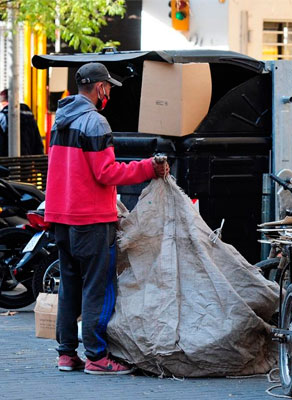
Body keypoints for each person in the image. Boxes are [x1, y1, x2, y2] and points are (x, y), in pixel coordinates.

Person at [44, 62, 170, 375]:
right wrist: (147, 168)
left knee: (69, 285)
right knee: (96, 287)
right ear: (100, 88)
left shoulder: (59, 121)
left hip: (62, 217)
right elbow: (106, 172)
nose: (109, 93)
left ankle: (66, 354)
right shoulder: (96, 122)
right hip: (91, 219)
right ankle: (97, 357)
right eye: (109, 88)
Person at [0, 89, 45, 156]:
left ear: (3, 103)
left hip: (7, 164)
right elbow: (38, 145)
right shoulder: (30, 117)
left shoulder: (2, 116)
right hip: (28, 162)